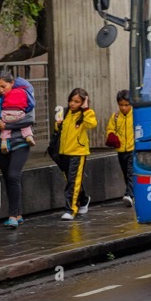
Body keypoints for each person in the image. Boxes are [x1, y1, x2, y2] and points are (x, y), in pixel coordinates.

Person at [0, 71, 35, 229]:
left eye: (3, 86)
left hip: (20, 142)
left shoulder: (23, 96)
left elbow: (30, 119)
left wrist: (8, 126)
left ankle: (12, 216)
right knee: (8, 177)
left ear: (12, 83)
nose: (0, 91)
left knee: (13, 175)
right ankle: (17, 214)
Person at [54, 87, 97, 220]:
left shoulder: (85, 114)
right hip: (64, 152)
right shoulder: (66, 113)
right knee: (71, 180)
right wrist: (58, 124)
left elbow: (92, 124)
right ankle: (83, 200)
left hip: (78, 153)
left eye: (77, 102)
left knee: (73, 181)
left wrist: (85, 108)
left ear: (83, 103)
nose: (73, 104)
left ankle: (71, 209)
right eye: (71, 101)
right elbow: (58, 130)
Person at [105, 89, 135, 207]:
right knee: (125, 173)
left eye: (126, 105)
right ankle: (132, 195)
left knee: (130, 172)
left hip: (133, 149)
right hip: (121, 150)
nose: (123, 108)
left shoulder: (136, 115)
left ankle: (130, 194)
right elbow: (110, 129)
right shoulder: (115, 117)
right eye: (121, 105)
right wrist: (111, 136)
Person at [0, 81, 36, 153]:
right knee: (25, 124)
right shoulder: (24, 92)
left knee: (5, 127)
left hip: (6, 114)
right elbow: (31, 104)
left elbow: (2, 103)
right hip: (18, 113)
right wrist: (25, 110)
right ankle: (28, 136)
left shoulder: (6, 93)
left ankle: (4, 142)